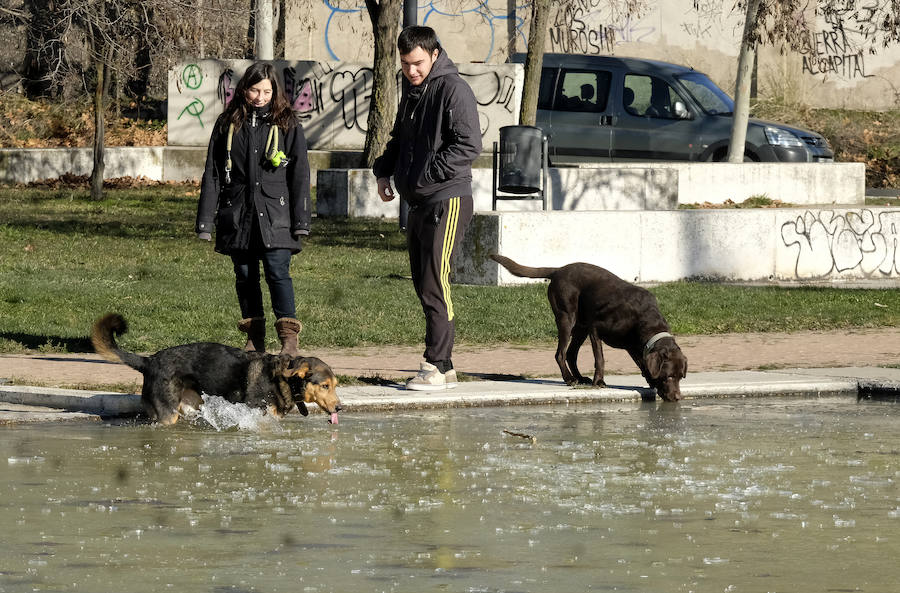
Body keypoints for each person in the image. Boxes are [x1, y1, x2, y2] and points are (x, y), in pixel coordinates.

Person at [373, 26, 482, 391]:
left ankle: (435, 363)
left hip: (447, 198)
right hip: (420, 201)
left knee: (437, 281)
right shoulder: (414, 92)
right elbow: (398, 138)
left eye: (417, 63)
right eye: (405, 64)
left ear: (434, 54)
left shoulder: (454, 89)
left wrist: (426, 175)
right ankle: (446, 365)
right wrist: (384, 171)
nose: (411, 71)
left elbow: (468, 145)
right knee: (423, 283)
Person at [196, 61, 311, 356]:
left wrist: (301, 220)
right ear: (244, 89)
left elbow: (299, 173)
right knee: (245, 275)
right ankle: (254, 337)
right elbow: (213, 173)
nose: (260, 97)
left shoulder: (288, 123)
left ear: (275, 92)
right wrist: (205, 222)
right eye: (254, 90)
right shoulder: (227, 124)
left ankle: (288, 339)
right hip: (238, 215)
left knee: (277, 272)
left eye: (266, 91)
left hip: (276, 215)